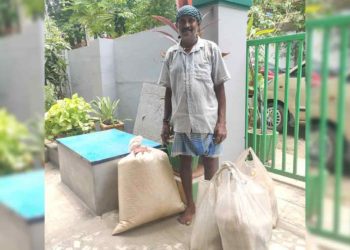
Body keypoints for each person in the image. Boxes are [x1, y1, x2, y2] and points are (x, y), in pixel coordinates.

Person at [158, 5, 231, 225]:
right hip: (182, 122)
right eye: (183, 21)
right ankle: (191, 206)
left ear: (198, 25)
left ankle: (211, 210)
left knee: (211, 167)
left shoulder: (211, 50)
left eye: (192, 20)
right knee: (185, 166)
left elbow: (220, 88)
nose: (187, 25)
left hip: (207, 121)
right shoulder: (171, 55)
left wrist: (222, 123)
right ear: (178, 26)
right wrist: (165, 122)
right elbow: (169, 90)